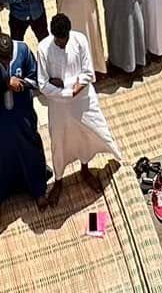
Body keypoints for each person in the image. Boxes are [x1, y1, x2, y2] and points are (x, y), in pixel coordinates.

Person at [38, 14, 117, 190]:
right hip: (59, 107)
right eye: (59, 42)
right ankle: (58, 180)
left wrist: (66, 87)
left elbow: (88, 73)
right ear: (53, 36)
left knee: (87, 134)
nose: (62, 44)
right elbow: (43, 84)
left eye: (65, 40)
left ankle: (85, 168)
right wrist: (67, 91)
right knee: (59, 142)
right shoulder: (43, 48)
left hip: (82, 101)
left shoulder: (79, 40)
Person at [0, 36, 50, 219]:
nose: (6, 62)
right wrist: (5, 83)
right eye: (3, 60)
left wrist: (20, 83)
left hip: (22, 114)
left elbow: (37, 80)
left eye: (8, 59)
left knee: (30, 149)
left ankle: (38, 190)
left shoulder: (23, 51)